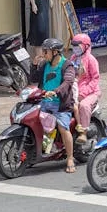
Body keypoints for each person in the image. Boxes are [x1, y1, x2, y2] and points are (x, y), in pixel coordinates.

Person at [31, 38, 76, 173]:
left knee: (63, 128)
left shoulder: (67, 65)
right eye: (44, 51)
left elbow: (67, 82)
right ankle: (42, 150)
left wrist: (55, 92)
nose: (44, 54)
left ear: (55, 52)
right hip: (44, 102)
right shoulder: (45, 64)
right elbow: (33, 79)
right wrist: (34, 65)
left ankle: (70, 158)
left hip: (60, 105)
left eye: (46, 51)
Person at [70, 34, 101, 145]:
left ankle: (83, 132)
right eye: (73, 46)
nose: (75, 48)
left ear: (86, 46)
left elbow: (95, 79)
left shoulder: (91, 60)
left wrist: (83, 93)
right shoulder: (73, 58)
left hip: (91, 92)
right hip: (75, 90)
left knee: (83, 105)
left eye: (77, 46)